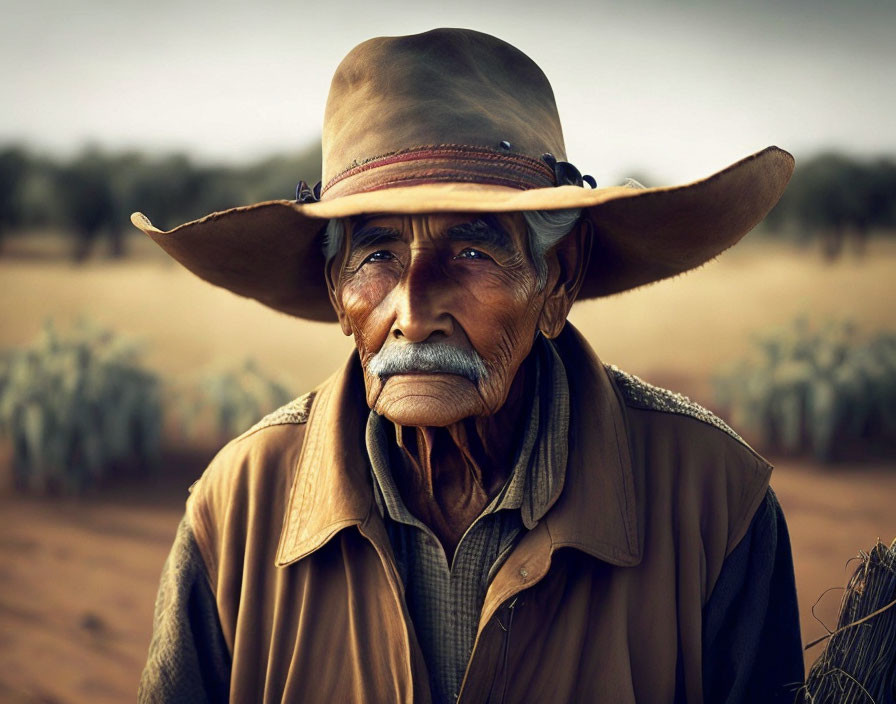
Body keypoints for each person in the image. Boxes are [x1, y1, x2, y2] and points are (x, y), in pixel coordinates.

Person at [135, 28, 804, 704]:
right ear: (338, 290)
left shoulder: (711, 498)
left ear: (558, 281)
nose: (414, 311)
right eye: (377, 254)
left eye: (473, 250)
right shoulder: (240, 506)